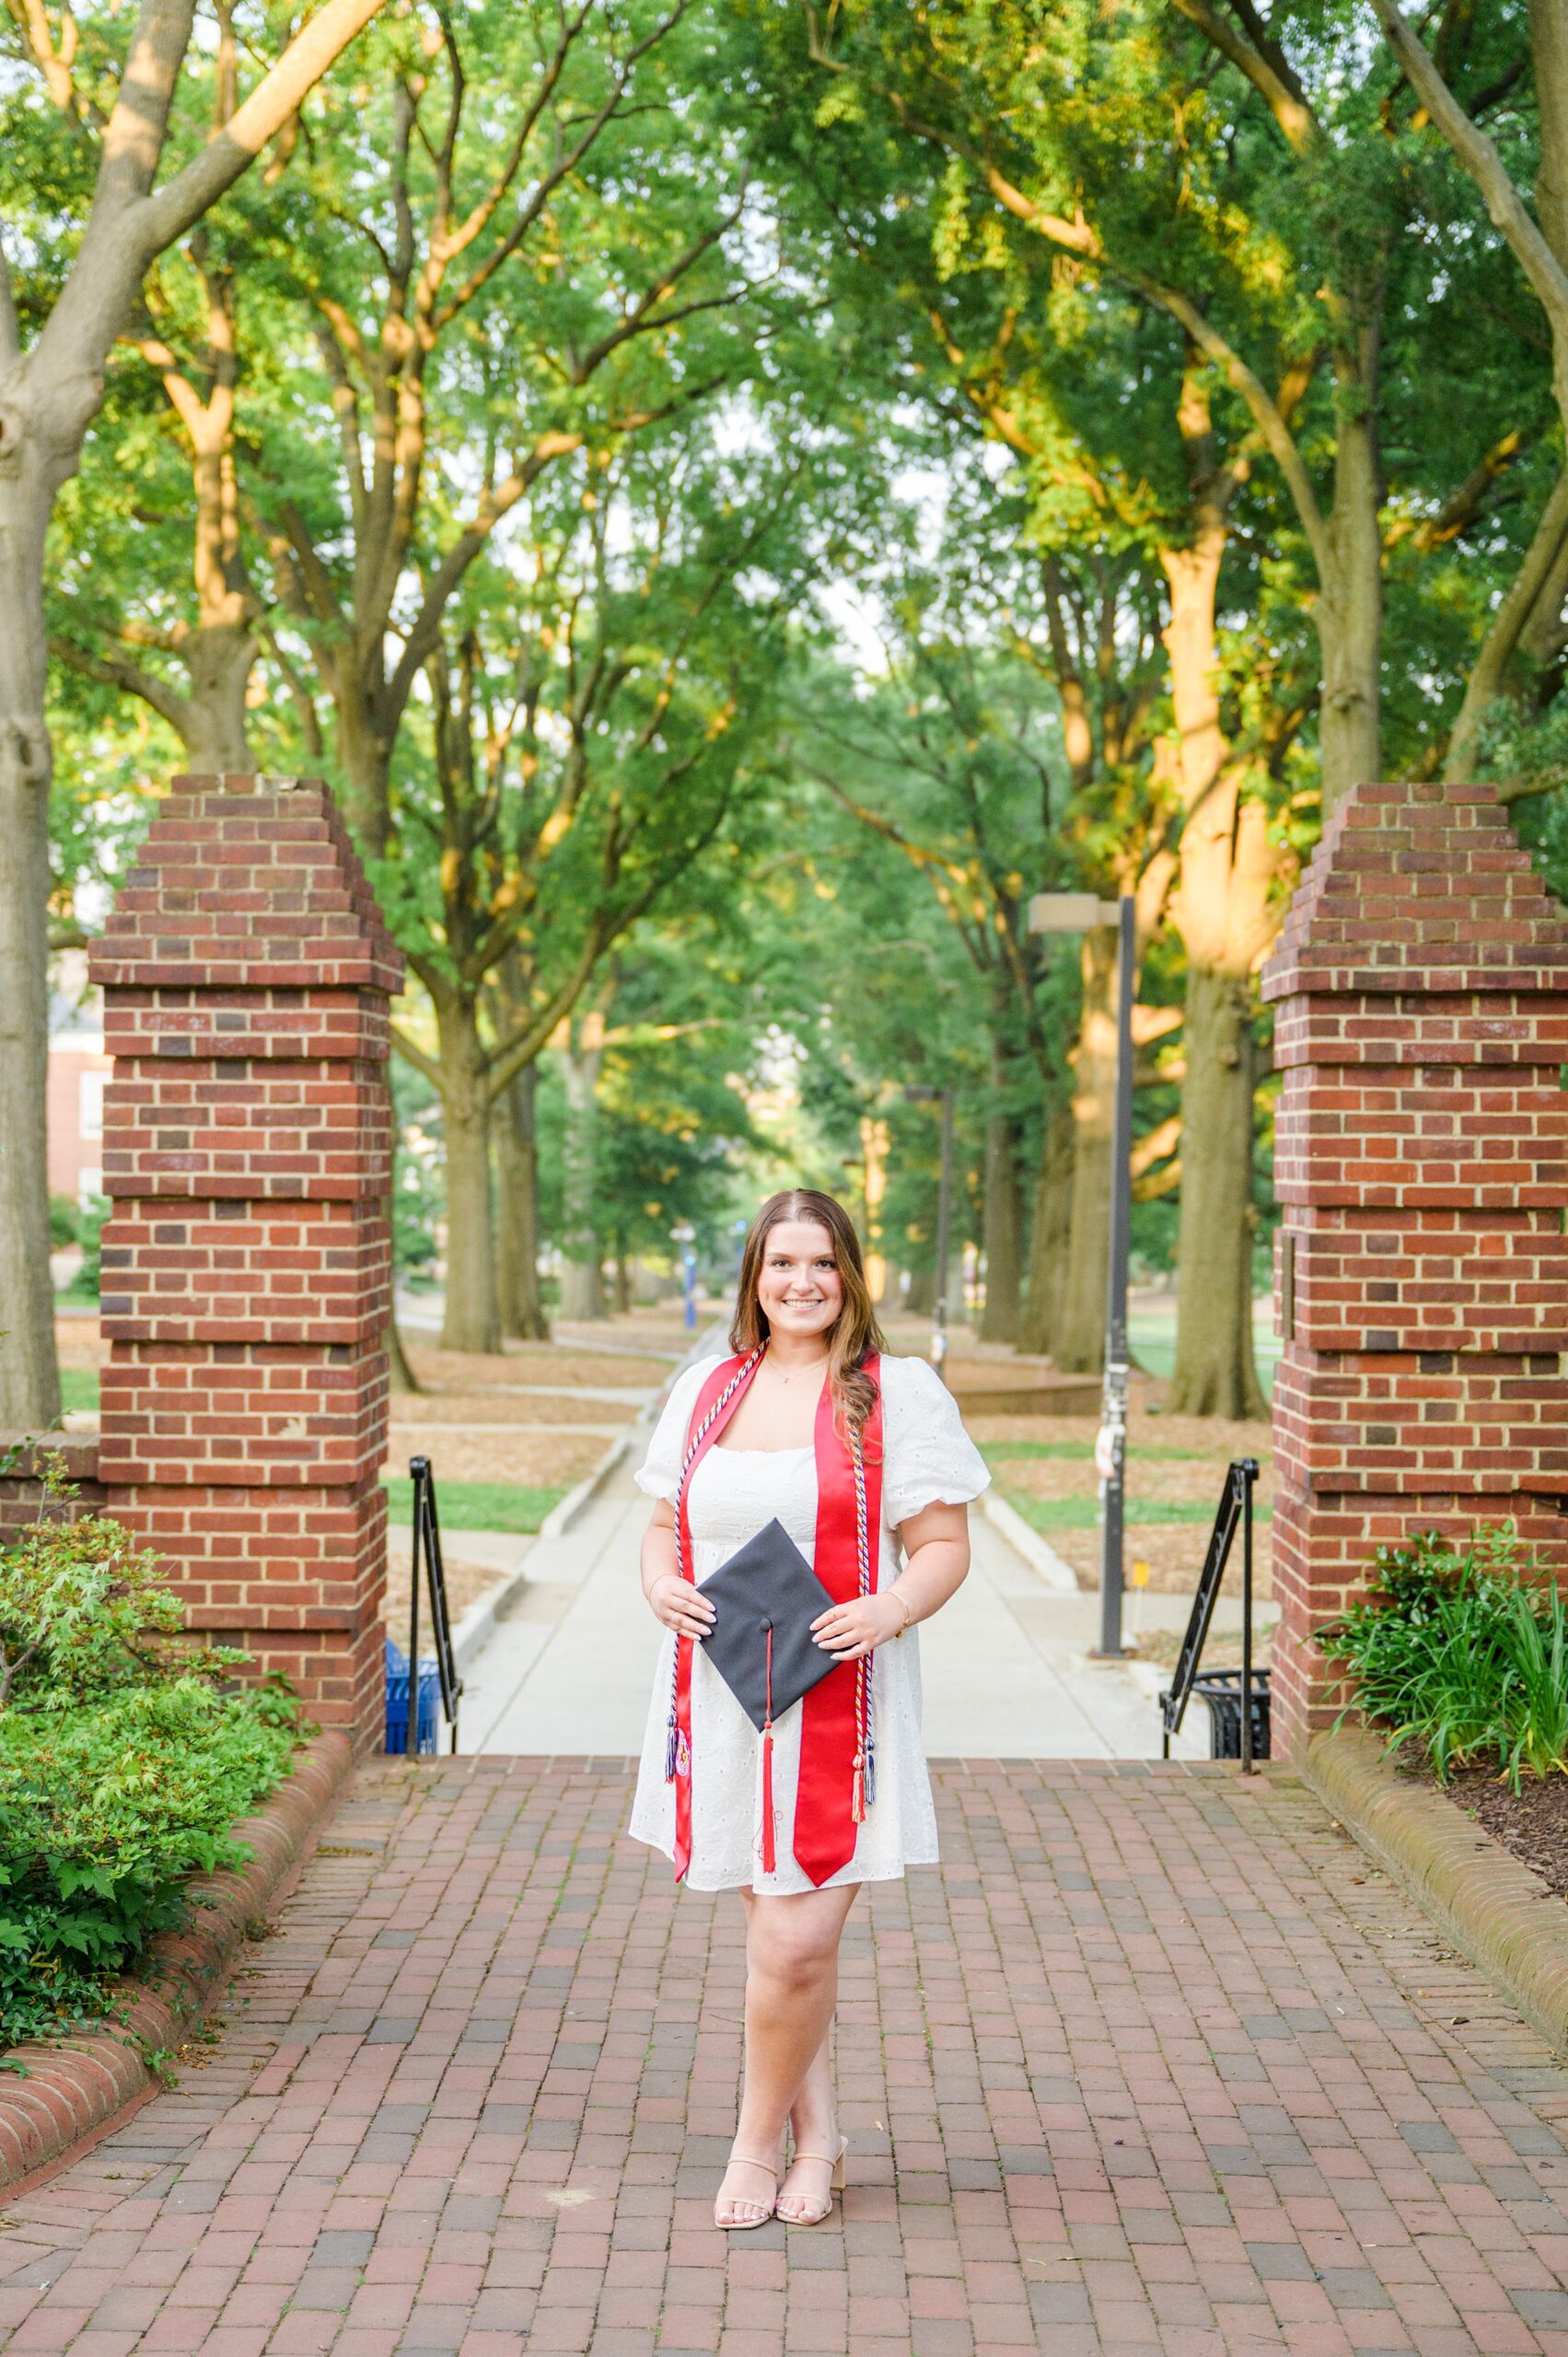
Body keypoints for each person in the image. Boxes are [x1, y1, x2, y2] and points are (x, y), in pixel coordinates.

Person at [628, 1187, 989, 2230]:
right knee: (787, 1948)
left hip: (843, 1700)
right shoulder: (705, 1388)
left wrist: (891, 1605)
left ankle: (750, 2146)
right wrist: (658, 1584)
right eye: (781, 1262)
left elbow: (943, 1545)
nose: (800, 1282)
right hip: (722, 1691)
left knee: (793, 1946)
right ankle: (817, 2141)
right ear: (754, 1274)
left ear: (850, 1275)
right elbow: (661, 1524)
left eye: (821, 1263)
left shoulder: (894, 1392)